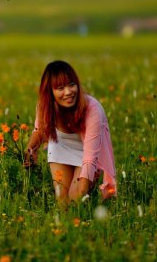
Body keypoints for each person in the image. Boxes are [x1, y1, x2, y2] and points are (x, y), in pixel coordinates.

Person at [25, 60, 117, 203]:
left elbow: (90, 158)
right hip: (60, 146)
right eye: (60, 88)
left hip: (87, 152)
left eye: (71, 85)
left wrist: (81, 194)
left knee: (75, 199)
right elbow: (40, 130)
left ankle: (84, 208)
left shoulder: (93, 109)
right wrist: (30, 150)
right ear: (50, 92)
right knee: (63, 202)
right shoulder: (45, 106)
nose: (68, 92)